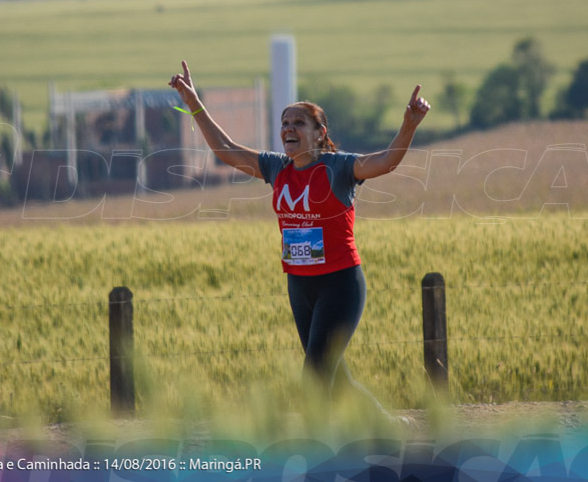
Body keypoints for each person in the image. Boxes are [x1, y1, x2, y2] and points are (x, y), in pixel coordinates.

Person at [168, 60, 430, 414]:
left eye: (298, 123)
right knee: (335, 378)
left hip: (339, 284)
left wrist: (408, 126)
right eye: (285, 124)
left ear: (320, 132)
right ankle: (389, 430)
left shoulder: (339, 167)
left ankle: (319, 454)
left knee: (316, 377)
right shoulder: (277, 167)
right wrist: (194, 103)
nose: (288, 129)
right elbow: (225, 149)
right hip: (299, 285)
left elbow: (386, 161)